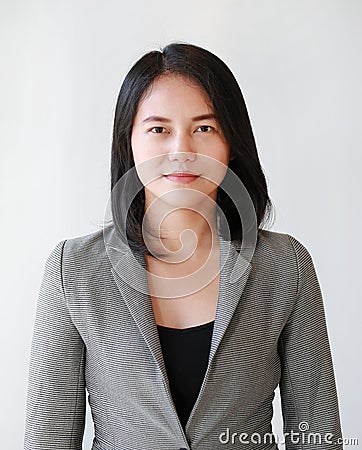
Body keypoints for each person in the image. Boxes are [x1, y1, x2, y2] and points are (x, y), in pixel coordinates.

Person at [24, 43, 343, 449]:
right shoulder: (74, 270)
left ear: (232, 143)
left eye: (204, 128)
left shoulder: (285, 266)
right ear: (130, 143)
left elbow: (318, 434)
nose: (182, 151)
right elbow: (47, 438)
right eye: (159, 129)